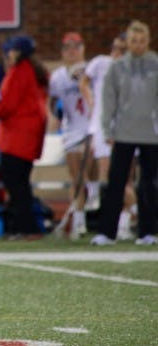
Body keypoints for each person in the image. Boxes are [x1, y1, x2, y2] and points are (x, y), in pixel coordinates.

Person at [90, 20, 157, 247]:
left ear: (148, 41)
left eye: (141, 41)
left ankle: (148, 232)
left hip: (150, 133)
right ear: (127, 42)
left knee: (149, 184)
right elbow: (108, 101)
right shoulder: (116, 68)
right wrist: (107, 128)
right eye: (133, 41)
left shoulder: (156, 64)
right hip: (123, 132)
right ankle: (107, 233)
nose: (137, 45)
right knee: (116, 182)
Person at [0, 35, 49, 238]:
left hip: (18, 139)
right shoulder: (34, 71)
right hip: (28, 138)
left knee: (16, 185)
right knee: (21, 184)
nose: (7, 55)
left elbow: (5, 107)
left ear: (17, 52)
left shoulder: (20, 72)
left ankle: (27, 229)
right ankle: (23, 228)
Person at [80, 32, 135, 238]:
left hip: (126, 129)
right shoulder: (101, 63)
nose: (116, 53)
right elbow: (83, 82)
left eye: (122, 50)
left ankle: (126, 220)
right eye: (114, 48)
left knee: (125, 180)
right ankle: (111, 223)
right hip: (103, 129)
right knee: (109, 178)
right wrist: (92, 103)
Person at [48, 32, 93, 239]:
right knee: (77, 178)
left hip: (92, 127)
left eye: (76, 47)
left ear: (83, 49)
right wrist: (54, 119)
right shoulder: (57, 77)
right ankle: (79, 221)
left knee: (92, 178)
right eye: (68, 48)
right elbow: (53, 104)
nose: (72, 52)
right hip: (71, 129)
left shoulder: (93, 70)